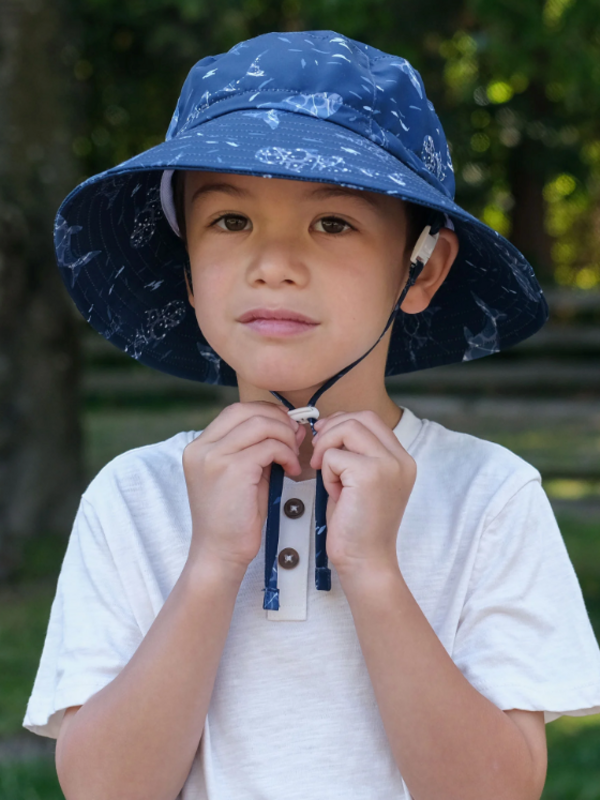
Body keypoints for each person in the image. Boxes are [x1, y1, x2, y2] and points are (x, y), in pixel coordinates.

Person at [23, 29, 600, 800]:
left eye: (333, 223)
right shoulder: (133, 499)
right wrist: (209, 564)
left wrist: (375, 571)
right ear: (186, 269)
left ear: (421, 269)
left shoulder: (491, 499)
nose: (273, 265)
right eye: (230, 222)